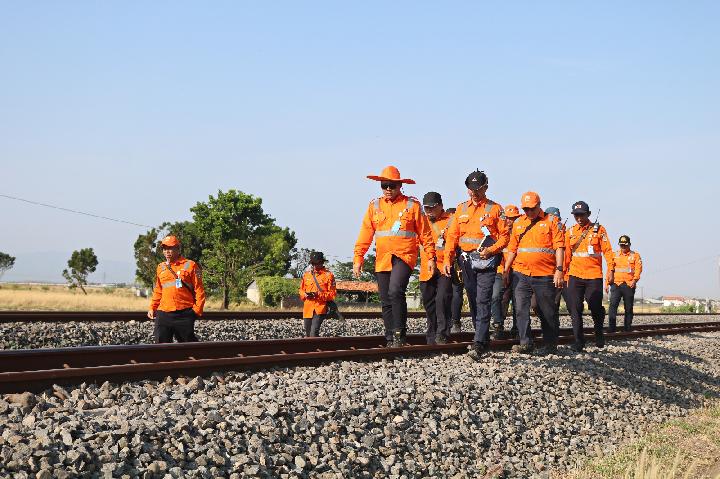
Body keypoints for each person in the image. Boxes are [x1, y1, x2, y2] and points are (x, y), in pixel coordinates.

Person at [354, 166, 436, 347]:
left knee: (395, 291)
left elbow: (426, 234)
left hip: (404, 256)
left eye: (392, 185)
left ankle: (400, 332)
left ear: (400, 185)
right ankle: (390, 337)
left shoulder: (412, 205)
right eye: (385, 185)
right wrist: (358, 258)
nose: (388, 189)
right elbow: (365, 233)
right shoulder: (374, 206)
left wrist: (430, 257)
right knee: (385, 298)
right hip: (383, 258)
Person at [443, 170, 509, 360]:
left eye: (478, 189)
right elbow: (452, 237)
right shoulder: (460, 209)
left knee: (483, 299)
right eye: (471, 189)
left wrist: (491, 250)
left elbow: (505, 237)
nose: (474, 193)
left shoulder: (496, 209)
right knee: (473, 299)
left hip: (487, 261)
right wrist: (447, 259)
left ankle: (479, 343)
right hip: (466, 261)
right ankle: (483, 337)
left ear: (486, 187)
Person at [503, 192, 565, 354]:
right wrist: (506, 269)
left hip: (544, 274)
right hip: (521, 273)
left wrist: (559, 270)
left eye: (532, 209)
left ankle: (550, 344)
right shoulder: (518, 223)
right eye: (526, 209)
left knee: (546, 310)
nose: (529, 212)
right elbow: (512, 249)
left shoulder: (552, 221)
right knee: (521, 308)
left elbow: (559, 247)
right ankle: (526, 343)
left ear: (539, 206)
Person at [564, 201, 615, 352]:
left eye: (582, 215)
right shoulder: (570, 232)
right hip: (574, 275)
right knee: (575, 308)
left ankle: (598, 331)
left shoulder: (599, 230)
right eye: (576, 215)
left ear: (589, 214)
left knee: (594, 306)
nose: (579, 218)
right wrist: (564, 273)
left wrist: (610, 270)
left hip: (593, 275)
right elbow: (567, 255)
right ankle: (579, 341)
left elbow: (608, 251)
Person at [148, 235, 206, 343]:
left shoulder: (191, 265)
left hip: (184, 313)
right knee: (161, 345)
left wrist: (197, 311)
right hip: (163, 313)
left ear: (178, 249)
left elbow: (199, 290)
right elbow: (158, 290)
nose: (167, 251)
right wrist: (152, 307)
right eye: (165, 249)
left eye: (170, 248)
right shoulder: (160, 267)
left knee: (188, 345)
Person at [419, 192, 454, 344]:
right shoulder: (421, 222)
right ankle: (431, 334)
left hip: (445, 266)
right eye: (426, 208)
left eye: (432, 208)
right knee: (428, 300)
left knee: (442, 299)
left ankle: (443, 333)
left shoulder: (451, 221)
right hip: (427, 267)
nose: (429, 211)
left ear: (441, 206)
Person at [491, 204, 522, 339]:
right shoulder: (498, 234)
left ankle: (517, 329)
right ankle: (498, 326)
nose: (510, 222)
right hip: (501, 270)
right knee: (496, 296)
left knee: (517, 301)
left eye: (513, 219)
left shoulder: (522, 234)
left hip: (517, 271)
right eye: (507, 219)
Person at [606, 235, 643, 332]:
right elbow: (610, 270)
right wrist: (607, 283)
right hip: (616, 284)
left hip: (628, 285)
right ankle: (612, 328)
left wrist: (634, 281)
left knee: (628, 307)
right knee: (613, 306)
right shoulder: (614, 255)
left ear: (629, 245)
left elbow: (638, 269)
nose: (623, 247)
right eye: (621, 245)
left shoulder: (635, 256)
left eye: (625, 245)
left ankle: (627, 328)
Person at [299, 251, 337, 337]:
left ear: (322, 262)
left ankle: (315, 349)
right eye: (313, 263)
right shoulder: (306, 275)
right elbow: (301, 290)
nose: (315, 265)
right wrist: (304, 294)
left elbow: (332, 294)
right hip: (308, 309)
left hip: (320, 308)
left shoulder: (328, 275)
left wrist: (318, 295)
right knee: (308, 334)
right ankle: (313, 349)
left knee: (313, 333)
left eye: (317, 263)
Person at [446, 207, 466, 334]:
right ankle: (451, 322)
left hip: (458, 260)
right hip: (447, 261)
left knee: (456, 291)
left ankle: (455, 321)